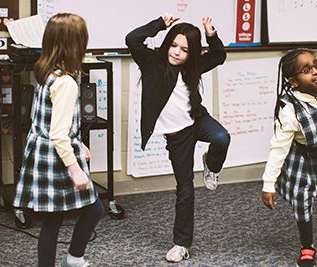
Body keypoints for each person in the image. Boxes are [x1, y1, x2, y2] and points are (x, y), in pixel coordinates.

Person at [126, 14, 230, 262]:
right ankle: (181, 244)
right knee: (185, 190)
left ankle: (211, 166)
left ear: (191, 53)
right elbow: (132, 39)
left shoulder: (193, 66)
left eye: (184, 50)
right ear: (167, 42)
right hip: (177, 138)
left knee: (222, 137)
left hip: (197, 120)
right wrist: (160, 24)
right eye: (174, 45)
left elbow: (219, 57)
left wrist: (211, 35)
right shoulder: (151, 62)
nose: (176, 52)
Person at [13, 13, 104, 267]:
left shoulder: (47, 72)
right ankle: (74, 258)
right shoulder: (67, 83)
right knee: (95, 208)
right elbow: (58, 134)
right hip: (58, 155)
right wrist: (75, 169)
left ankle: (69, 260)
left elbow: (50, 121)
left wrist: (80, 143)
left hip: (44, 150)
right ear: (75, 44)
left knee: (53, 220)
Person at [261, 49, 317, 267]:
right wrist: (268, 184)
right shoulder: (290, 110)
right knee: (302, 199)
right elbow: (278, 147)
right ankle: (307, 246)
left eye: (316, 64)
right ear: (293, 82)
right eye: (306, 70)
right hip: (303, 156)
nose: (316, 71)